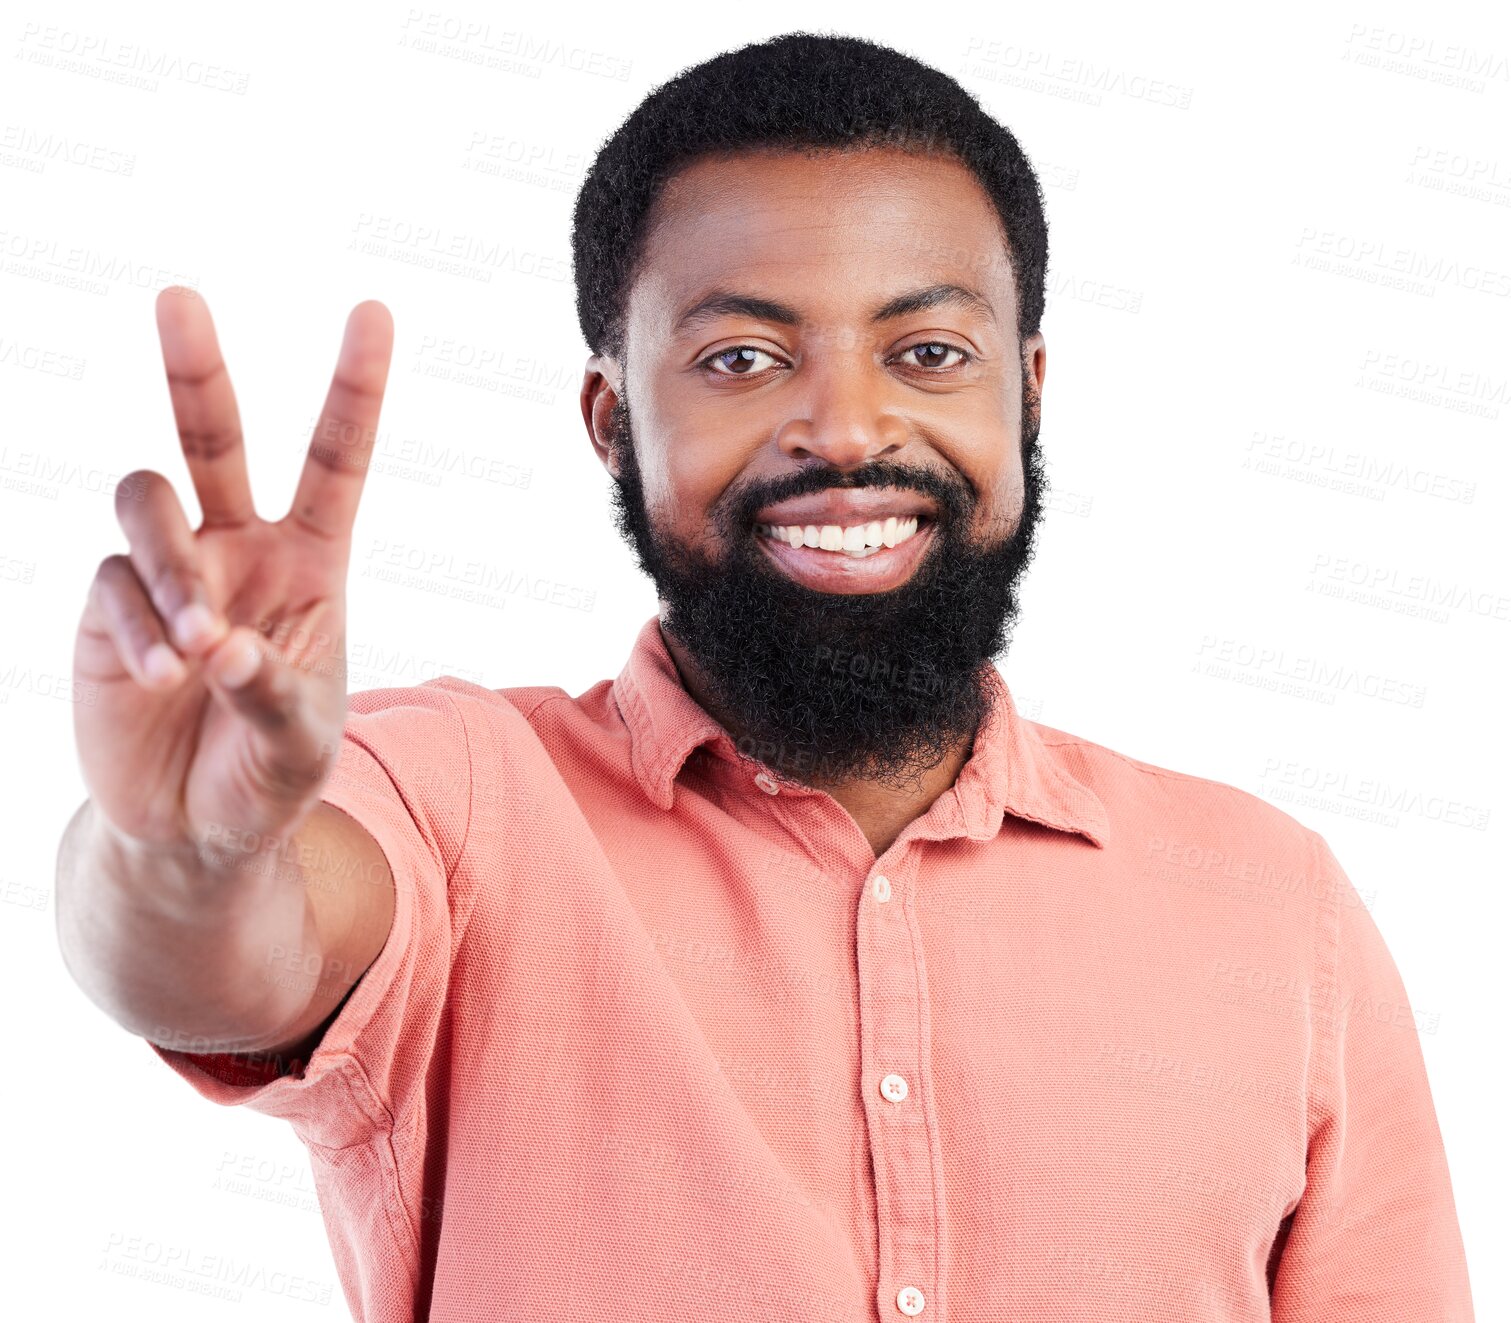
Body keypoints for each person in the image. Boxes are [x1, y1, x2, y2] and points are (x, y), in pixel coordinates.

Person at [55, 31, 1474, 1323]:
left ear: (1026, 394)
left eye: (928, 352)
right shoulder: (460, 802)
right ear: (615, 421)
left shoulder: (1277, 906)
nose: (847, 429)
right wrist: (185, 848)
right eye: (742, 356)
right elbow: (227, 960)